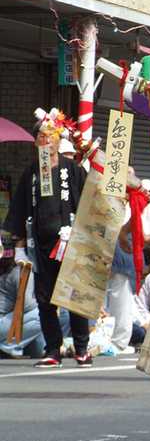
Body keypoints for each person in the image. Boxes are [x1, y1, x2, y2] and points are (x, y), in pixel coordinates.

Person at [4, 108, 89, 368]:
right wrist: (19, 249)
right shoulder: (31, 173)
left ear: (58, 139)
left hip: (70, 241)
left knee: (74, 297)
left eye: (51, 135)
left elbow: (89, 204)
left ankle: (82, 348)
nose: (46, 140)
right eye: (41, 136)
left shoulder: (72, 170)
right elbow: (19, 211)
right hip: (39, 246)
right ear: (35, 141)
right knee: (45, 299)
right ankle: (53, 348)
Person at [0, 231, 45, 358]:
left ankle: (16, 347)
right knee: (42, 313)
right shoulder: (20, 270)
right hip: (2, 322)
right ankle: (6, 347)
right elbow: (26, 306)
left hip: (4, 321)